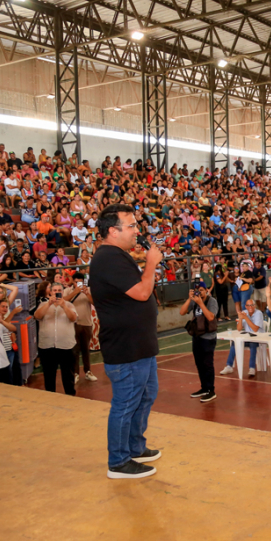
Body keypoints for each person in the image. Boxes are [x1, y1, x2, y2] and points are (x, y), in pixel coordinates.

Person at [90, 204, 164, 480]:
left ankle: (134, 447)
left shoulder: (118, 256)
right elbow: (142, 293)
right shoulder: (108, 258)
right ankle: (119, 462)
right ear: (113, 230)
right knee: (126, 402)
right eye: (131, 226)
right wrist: (151, 263)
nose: (136, 231)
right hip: (126, 347)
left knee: (145, 395)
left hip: (139, 344)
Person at [34, 281, 78, 395]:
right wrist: (49, 304)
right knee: (49, 376)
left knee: (68, 376)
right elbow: (37, 316)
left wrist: (64, 306)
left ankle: (70, 397)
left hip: (66, 346)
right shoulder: (43, 305)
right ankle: (50, 398)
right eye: (55, 290)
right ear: (51, 292)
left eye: (59, 290)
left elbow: (73, 318)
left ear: (62, 292)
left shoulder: (69, 305)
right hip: (47, 346)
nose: (57, 292)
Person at [179, 283, 219, 402]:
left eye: (201, 290)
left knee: (207, 364)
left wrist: (201, 303)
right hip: (197, 336)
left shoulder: (212, 301)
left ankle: (211, 390)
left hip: (208, 337)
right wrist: (189, 299)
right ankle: (204, 388)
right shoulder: (194, 301)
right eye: (197, 290)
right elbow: (182, 312)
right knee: (199, 363)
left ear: (206, 290)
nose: (199, 293)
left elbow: (211, 317)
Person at [64, 273, 97, 383]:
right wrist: (75, 292)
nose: (78, 284)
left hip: (87, 323)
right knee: (74, 350)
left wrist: (87, 294)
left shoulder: (88, 290)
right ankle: (75, 373)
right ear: (72, 282)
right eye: (76, 282)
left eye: (81, 282)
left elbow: (95, 303)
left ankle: (88, 371)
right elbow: (63, 301)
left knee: (86, 349)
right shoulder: (68, 291)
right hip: (72, 324)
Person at [219, 297, 262, 377]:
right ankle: (229, 366)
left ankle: (252, 367)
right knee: (234, 343)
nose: (250, 307)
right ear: (245, 306)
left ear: (255, 306)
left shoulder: (258, 313)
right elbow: (239, 329)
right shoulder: (244, 312)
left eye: (252, 305)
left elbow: (255, 329)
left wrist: (246, 318)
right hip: (247, 338)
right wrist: (241, 319)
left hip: (258, 338)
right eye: (248, 305)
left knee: (253, 344)